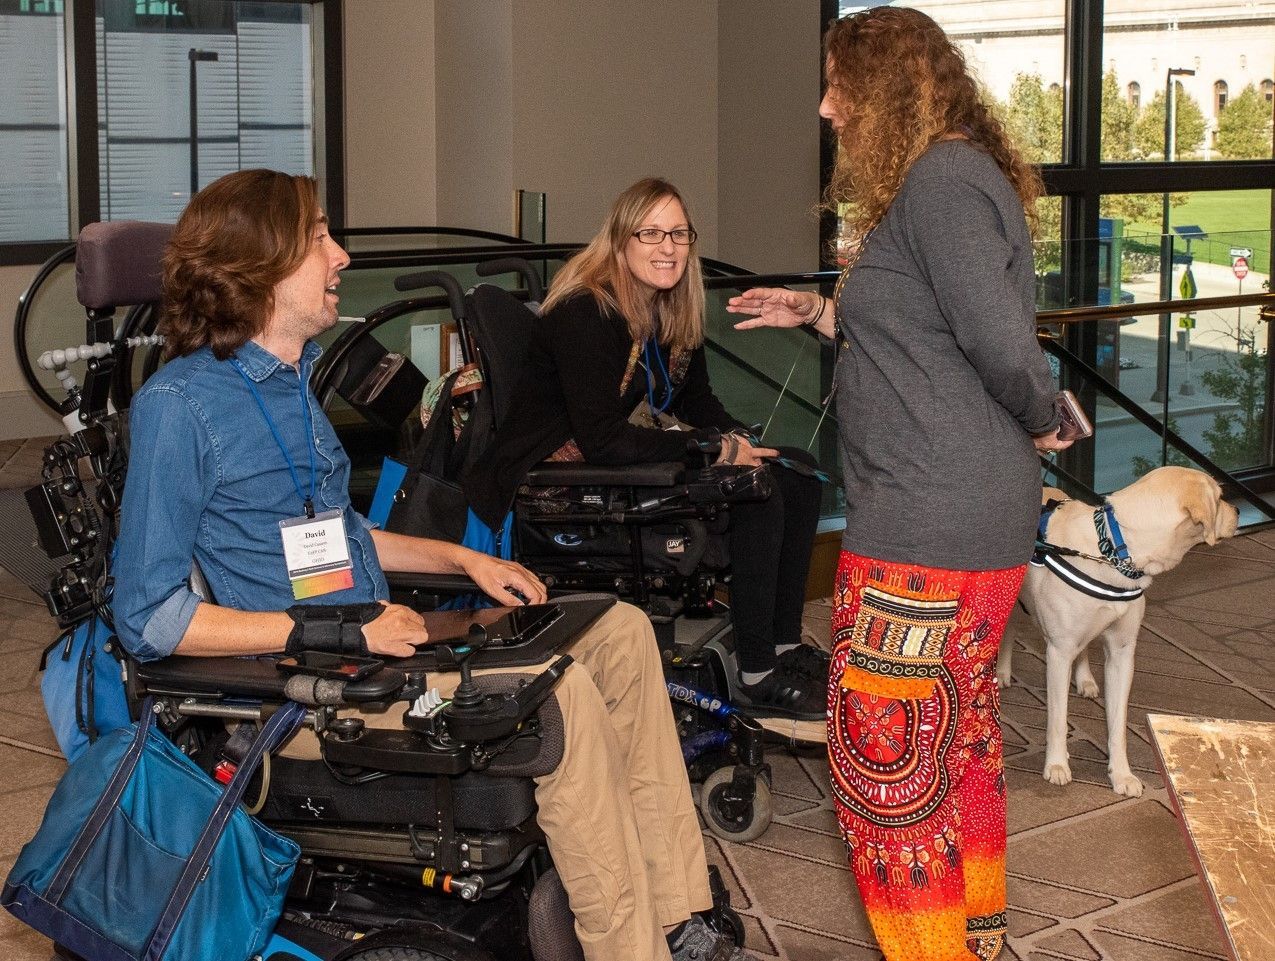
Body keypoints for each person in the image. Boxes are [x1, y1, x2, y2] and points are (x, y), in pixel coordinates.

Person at [112, 169, 752, 961]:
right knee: (562, 694)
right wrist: (335, 627)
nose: (340, 254)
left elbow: (336, 535)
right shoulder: (180, 407)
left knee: (618, 630)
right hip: (309, 695)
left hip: (374, 649)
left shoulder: (288, 386)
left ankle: (677, 916)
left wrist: (460, 558)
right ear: (262, 264)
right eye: (318, 236)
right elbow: (148, 618)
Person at [727, 9, 1072, 961]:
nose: (827, 105)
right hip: (953, 518)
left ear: (885, 88)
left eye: (841, 83)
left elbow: (998, 341)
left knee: (885, 767)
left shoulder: (944, 180)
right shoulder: (945, 180)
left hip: (928, 528)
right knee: (954, 742)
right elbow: (925, 329)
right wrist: (817, 310)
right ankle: (975, 941)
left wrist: (1045, 412)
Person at [465, 177, 827, 726]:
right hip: (561, 477)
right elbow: (602, 437)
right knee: (758, 494)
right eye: (651, 233)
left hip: (621, 453)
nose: (667, 248)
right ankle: (755, 673)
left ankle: (779, 647)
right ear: (620, 241)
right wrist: (709, 448)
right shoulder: (586, 311)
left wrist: (742, 441)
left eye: (678, 234)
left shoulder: (670, 310)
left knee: (799, 470)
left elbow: (698, 400)